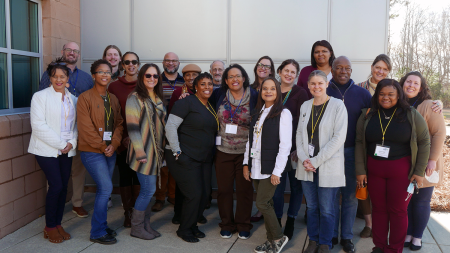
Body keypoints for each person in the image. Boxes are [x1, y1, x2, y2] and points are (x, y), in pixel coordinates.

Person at [355, 79, 430, 253]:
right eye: (382, 94)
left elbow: (425, 141)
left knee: (398, 211)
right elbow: (359, 142)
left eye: (391, 94)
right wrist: (360, 170)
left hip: (401, 171)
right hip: (374, 171)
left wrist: (419, 171)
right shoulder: (368, 114)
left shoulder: (410, 114)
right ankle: (379, 246)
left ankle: (394, 249)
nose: (385, 97)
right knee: (379, 210)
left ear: (399, 95)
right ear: (377, 95)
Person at [39, 42, 93, 219]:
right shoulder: (50, 75)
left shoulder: (86, 78)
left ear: (79, 54)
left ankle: (77, 203)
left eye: (75, 50)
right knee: (55, 180)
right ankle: (54, 210)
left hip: (76, 133)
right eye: (68, 50)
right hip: (53, 136)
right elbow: (43, 104)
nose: (72, 53)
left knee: (78, 171)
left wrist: (74, 139)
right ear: (62, 52)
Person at [296, 70, 348, 253]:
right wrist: (304, 159)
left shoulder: (337, 106)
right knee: (311, 207)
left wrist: (315, 161)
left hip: (327, 164)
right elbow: (299, 135)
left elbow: (338, 138)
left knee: (327, 208)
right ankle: (313, 240)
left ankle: (325, 242)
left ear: (327, 84)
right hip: (306, 166)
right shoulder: (305, 106)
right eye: (313, 84)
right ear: (308, 86)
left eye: (320, 83)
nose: (316, 86)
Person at [165, 72, 217, 243]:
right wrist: (177, 151)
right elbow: (170, 127)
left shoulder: (209, 106)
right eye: (203, 84)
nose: (207, 87)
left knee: (204, 194)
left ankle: (193, 225)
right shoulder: (185, 102)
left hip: (203, 158)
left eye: (210, 84)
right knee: (193, 194)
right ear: (195, 86)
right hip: (184, 156)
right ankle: (184, 229)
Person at [29, 60, 78, 243]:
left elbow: (76, 126)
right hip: (45, 149)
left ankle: (57, 224)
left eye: (62, 76)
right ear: (50, 78)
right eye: (55, 76)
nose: (59, 79)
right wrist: (60, 143)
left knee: (64, 187)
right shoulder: (40, 97)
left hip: (67, 149)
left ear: (67, 78)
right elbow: (38, 126)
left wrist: (72, 142)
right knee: (56, 185)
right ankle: (49, 226)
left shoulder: (73, 99)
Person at [327, 56, 372, 253]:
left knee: (350, 197)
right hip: (329, 153)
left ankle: (346, 236)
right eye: (339, 68)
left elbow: (372, 123)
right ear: (332, 69)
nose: (343, 71)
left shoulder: (362, 94)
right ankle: (332, 234)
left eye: (347, 68)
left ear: (352, 71)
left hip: (354, 152)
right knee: (331, 196)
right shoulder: (324, 90)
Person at [77, 59, 123, 245]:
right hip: (92, 151)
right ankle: (96, 232)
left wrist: (115, 143)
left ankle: (101, 225)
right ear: (94, 75)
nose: (105, 75)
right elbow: (85, 128)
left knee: (104, 190)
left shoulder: (112, 98)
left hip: (110, 150)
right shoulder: (85, 98)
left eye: (108, 72)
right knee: (105, 188)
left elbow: (119, 123)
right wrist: (104, 146)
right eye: (101, 72)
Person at [209, 64, 258, 240]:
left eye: (238, 76)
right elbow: (202, 102)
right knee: (224, 190)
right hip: (223, 150)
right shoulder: (219, 94)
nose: (234, 79)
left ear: (244, 78)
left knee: (245, 189)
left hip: (246, 151)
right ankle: (226, 224)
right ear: (226, 80)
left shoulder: (254, 96)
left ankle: (244, 224)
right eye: (230, 77)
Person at [243, 77, 292, 253]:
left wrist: (277, 171)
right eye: (265, 88)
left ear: (278, 92)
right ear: (261, 91)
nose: (269, 91)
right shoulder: (257, 112)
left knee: (262, 203)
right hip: (255, 165)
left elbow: (285, 145)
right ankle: (271, 240)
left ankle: (279, 237)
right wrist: (245, 164)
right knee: (267, 203)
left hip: (270, 168)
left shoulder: (283, 113)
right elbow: (250, 141)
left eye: (273, 88)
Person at [400, 72, 446, 251]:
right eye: (408, 81)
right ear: (403, 83)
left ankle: (417, 236)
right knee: (409, 200)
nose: (411, 85)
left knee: (421, 201)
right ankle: (408, 233)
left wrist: (432, 160)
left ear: (421, 87)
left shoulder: (429, 106)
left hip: (427, 162)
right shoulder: (399, 103)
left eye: (415, 83)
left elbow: (439, 133)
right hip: (406, 161)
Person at [126, 63, 166, 240]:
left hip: (156, 152)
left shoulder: (157, 97)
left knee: (149, 191)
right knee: (147, 191)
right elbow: (133, 127)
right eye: (148, 76)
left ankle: (145, 225)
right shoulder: (135, 98)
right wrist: (140, 152)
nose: (152, 79)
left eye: (155, 76)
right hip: (143, 152)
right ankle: (136, 228)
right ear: (142, 77)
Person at [272, 59, 309, 240]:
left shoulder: (300, 93)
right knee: (277, 187)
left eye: (293, 72)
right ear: (279, 71)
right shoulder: (271, 89)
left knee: (296, 186)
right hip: (275, 148)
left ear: (296, 75)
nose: (289, 74)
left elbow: (304, 122)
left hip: (294, 149)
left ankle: (292, 219)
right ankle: (277, 220)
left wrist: (299, 148)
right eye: (286, 70)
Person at [108, 51, 141, 228]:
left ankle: (138, 212)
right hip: (122, 139)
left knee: (139, 176)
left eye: (134, 62)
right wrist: (121, 138)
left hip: (141, 139)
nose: (130, 65)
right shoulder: (114, 86)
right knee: (125, 175)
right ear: (122, 65)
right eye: (127, 62)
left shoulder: (144, 84)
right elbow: (111, 115)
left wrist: (137, 137)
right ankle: (128, 213)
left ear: (138, 64)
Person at [152, 52, 185, 212]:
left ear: (178, 63)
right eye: (167, 60)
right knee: (162, 164)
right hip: (159, 126)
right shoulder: (156, 79)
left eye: (174, 61)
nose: (171, 63)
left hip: (179, 127)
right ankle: (160, 197)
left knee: (175, 160)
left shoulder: (184, 81)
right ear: (163, 62)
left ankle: (172, 194)